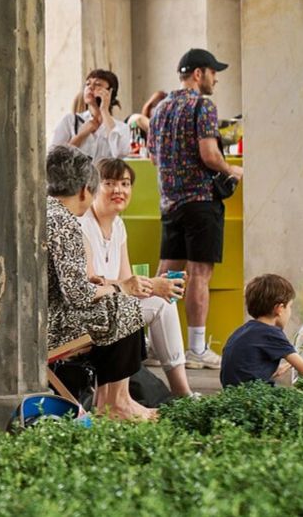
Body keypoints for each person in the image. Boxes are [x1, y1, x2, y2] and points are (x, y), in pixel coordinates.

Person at [147, 48, 244, 371]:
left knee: (166, 274)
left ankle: (149, 342)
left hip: (170, 202)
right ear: (199, 74)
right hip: (201, 202)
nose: (216, 78)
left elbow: (152, 156)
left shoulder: (160, 109)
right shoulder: (203, 106)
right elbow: (209, 154)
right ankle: (197, 348)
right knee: (199, 274)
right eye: (213, 72)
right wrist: (233, 171)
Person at [45, 145, 154, 420]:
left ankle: (116, 400)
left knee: (115, 302)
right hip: (48, 327)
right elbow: (79, 296)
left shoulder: (44, 211)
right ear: (85, 190)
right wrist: (119, 287)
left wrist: (95, 283)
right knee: (123, 306)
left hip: (35, 317)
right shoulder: (66, 222)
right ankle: (115, 403)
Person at [79, 159, 194, 397]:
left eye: (125, 183)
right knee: (154, 304)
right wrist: (148, 285)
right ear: (92, 187)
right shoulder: (83, 225)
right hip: (88, 314)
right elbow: (89, 285)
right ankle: (176, 393)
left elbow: (127, 281)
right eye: (109, 183)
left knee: (163, 302)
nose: (119, 190)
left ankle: (182, 392)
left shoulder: (118, 225)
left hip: (114, 307)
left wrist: (159, 285)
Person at [220, 274, 303, 387]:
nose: (290, 312)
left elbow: (248, 369)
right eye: (290, 306)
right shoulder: (272, 333)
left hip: (233, 395)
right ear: (279, 309)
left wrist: (284, 366)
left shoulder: (243, 331)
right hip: (255, 396)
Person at [50, 69, 131, 162]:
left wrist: (104, 110)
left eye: (97, 84)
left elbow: (121, 154)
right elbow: (53, 158)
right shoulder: (70, 121)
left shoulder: (122, 128)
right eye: (88, 84)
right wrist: (80, 136)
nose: (90, 87)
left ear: (110, 92)